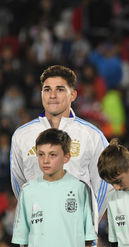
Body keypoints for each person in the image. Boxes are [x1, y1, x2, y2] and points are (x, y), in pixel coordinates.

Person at [10, 65, 111, 225]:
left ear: (73, 95)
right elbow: (19, 186)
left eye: (60, 89)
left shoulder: (92, 135)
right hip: (37, 233)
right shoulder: (21, 136)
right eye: (47, 89)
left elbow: (104, 185)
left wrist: (88, 225)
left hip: (76, 233)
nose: (53, 95)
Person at [12, 128, 97, 247]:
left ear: (66, 157)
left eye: (53, 155)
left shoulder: (80, 189)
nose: (45, 160)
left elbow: (88, 239)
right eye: (41, 154)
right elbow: (23, 240)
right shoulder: (27, 191)